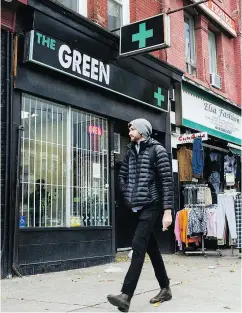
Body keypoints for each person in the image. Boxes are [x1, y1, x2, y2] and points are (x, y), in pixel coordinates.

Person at [107, 118, 173, 312]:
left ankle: (126, 295)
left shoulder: (157, 150)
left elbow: (167, 182)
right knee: (150, 247)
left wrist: (167, 212)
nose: (129, 131)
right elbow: (122, 175)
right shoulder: (130, 151)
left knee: (138, 245)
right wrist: (127, 192)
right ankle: (165, 288)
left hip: (151, 204)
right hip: (135, 205)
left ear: (143, 131)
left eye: (133, 128)